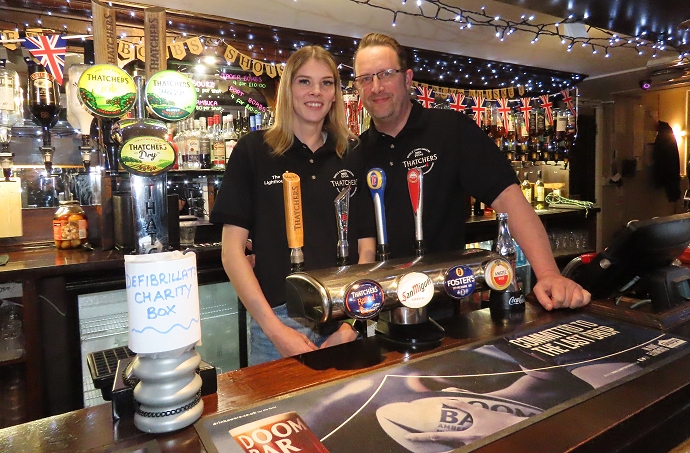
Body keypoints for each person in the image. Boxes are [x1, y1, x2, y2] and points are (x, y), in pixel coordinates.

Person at [352, 32, 590, 311]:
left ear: (407, 79)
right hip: (380, 307)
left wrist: (549, 274)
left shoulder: (450, 130)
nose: (376, 87)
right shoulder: (357, 152)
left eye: (386, 74)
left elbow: (509, 201)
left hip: (442, 305)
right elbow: (364, 246)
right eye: (365, 78)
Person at [210, 45, 376, 365]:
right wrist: (275, 330)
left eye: (326, 83)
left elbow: (366, 249)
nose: (316, 91)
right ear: (288, 88)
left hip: (344, 315)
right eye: (304, 82)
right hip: (278, 319)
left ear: (335, 95)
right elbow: (231, 253)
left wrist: (353, 323)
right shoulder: (253, 151)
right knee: (282, 416)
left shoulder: (353, 153)